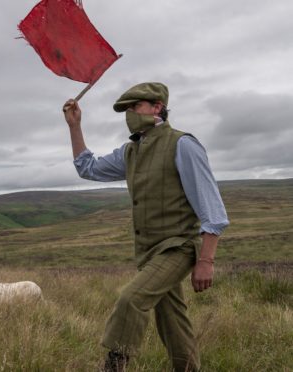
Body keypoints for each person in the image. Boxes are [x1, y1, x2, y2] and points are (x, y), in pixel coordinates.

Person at [63, 82, 229, 372]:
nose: (129, 113)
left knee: (131, 299)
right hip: (149, 253)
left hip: (178, 248)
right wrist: (75, 126)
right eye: (126, 109)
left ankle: (114, 366)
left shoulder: (182, 144)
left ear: (157, 107)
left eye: (135, 106)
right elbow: (87, 168)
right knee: (173, 321)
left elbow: (212, 210)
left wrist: (206, 260)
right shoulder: (131, 152)